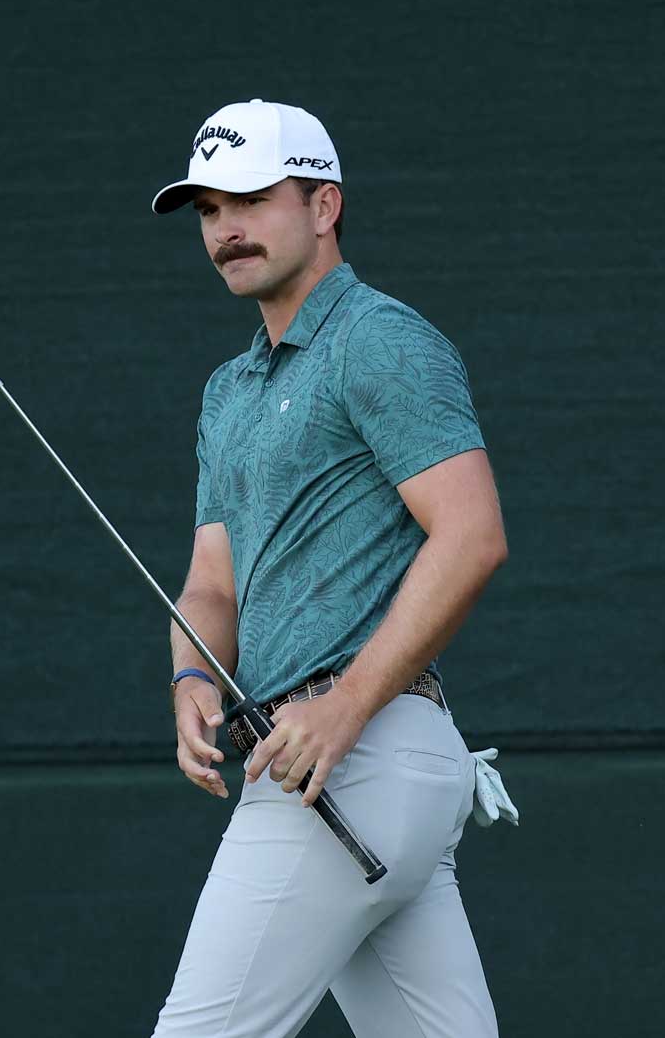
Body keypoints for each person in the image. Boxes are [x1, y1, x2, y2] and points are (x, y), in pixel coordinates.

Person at [148, 98, 507, 1037]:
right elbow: (212, 583)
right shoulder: (229, 391)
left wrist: (343, 708)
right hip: (363, 767)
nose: (226, 230)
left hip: (355, 752)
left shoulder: (379, 338)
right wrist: (191, 670)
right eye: (208, 210)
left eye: (252, 200)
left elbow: (471, 536)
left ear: (323, 205)